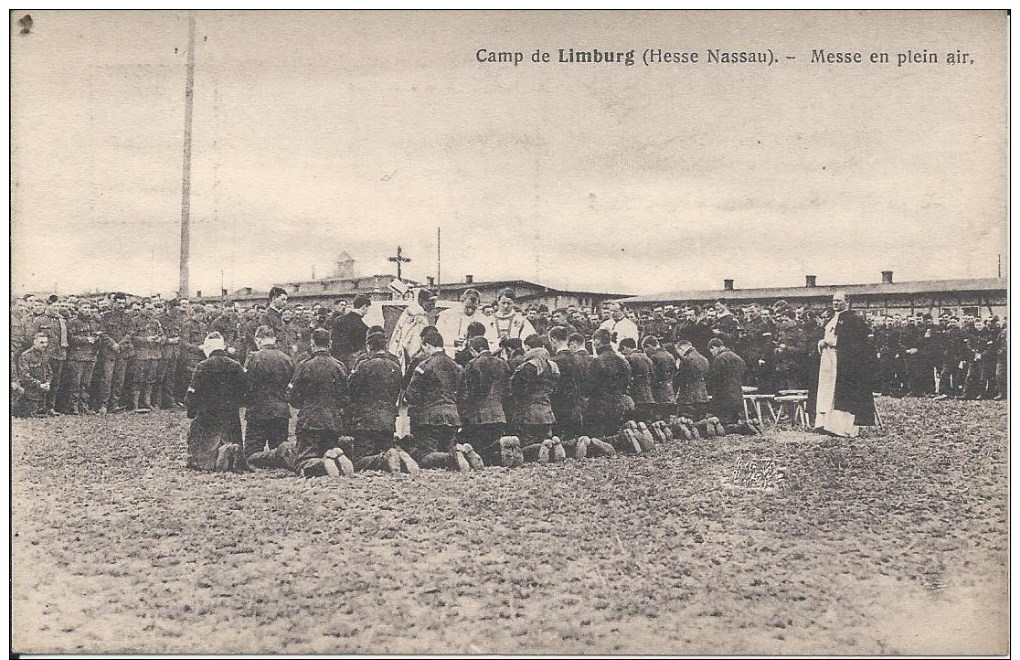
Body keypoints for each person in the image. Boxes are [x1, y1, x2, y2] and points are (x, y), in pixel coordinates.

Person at [403, 328, 478, 471]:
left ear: (427, 345)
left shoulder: (423, 366)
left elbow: (412, 395)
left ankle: (454, 457)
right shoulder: (457, 366)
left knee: (424, 456)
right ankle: (462, 455)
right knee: (446, 451)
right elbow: (464, 395)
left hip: (429, 419)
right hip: (453, 417)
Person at [348, 332, 415, 472]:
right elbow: (398, 390)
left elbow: (351, 390)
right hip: (388, 421)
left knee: (359, 459)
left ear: (369, 346)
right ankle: (401, 456)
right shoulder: (396, 367)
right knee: (385, 447)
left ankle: (382, 459)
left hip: (365, 421)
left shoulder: (363, 366)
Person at [814, 292, 877, 437]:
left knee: (842, 394)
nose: (835, 303)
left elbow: (856, 342)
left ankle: (842, 428)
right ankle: (825, 424)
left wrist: (832, 343)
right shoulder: (832, 318)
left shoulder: (853, 320)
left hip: (844, 361)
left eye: (838, 301)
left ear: (847, 302)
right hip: (829, 359)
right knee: (828, 391)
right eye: (834, 300)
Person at [185, 332, 249, 472]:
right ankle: (232, 454)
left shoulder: (203, 366)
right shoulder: (236, 366)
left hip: (207, 413)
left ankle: (211, 460)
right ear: (224, 347)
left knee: (200, 444)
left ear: (208, 348)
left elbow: (192, 392)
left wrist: (191, 411)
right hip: (230, 414)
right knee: (232, 436)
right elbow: (245, 389)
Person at [242, 326, 295, 459]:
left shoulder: (253, 358)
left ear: (257, 340)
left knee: (250, 455)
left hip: (257, 411)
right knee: (281, 450)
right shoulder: (286, 359)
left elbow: (246, 384)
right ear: (274, 339)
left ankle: (270, 458)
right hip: (280, 411)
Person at [458, 335, 512, 466]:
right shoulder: (503, 364)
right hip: (499, 413)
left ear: (475, 349)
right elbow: (508, 391)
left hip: (479, 415)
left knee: (480, 449)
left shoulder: (472, 364)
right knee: (494, 447)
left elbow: (468, 392)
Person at [508, 334, 561, 460]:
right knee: (545, 438)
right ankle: (551, 447)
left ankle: (541, 449)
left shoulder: (527, 366)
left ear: (527, 347)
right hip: (547, 412)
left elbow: (516, 389)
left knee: (528, 445)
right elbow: (556, 389)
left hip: (528, 412)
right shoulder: (553, 365)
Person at [586, 328, 635, 439]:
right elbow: (627, 381)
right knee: (613, 434)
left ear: (597, 341)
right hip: (618, 402)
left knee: (598, 437)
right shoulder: (622, 360)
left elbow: (589, 385)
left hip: (599, 405)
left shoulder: (596, 361)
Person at [65, 301, 101, 414]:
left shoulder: (94, 323)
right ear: (79, 308)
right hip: (77, 356)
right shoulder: (73, 322)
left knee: (86, 383)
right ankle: (73, 407)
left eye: (88, 308)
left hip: (90, 356)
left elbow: (97, 338)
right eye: (84, 307)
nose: (87, 310)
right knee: (75, 383)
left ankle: (83, 406)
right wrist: (86, 340)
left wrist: (97, 339)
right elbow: (70, 338)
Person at [389, 289, 437, 374]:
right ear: (421, 301)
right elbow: (415, 346)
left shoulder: (408, 312)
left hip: (397, 353)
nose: (433, 306)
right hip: (409, 357)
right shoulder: (419, 317)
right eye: (431, 302)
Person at [707, 337, 747, 426]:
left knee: (724, 423)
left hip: (724, 396)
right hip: (737, 394)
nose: (712, 354)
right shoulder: (737, 357)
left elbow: (715, 379)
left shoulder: (719, 359)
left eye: (711, 351)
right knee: (735, 419)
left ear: (714, 347)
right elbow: (744, 370)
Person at [436, 288, 485, 358]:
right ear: (462, 301)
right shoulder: (447, 315)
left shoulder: (482, 318)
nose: (470, 311)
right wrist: (452, 341)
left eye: (474, 308)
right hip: (449, 354)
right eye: (467, 307)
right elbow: (437, 336)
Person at [15, 332, 53, 417]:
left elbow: (50, 372)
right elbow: (24, 376)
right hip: (30, 393)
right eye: (41, 342)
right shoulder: (26, 356)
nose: (44, 345)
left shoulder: (44, 355)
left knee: (42, 412)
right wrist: (39, 385)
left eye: (46, 342)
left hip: (42, 393)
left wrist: (47, 383)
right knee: (32, 413)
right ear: (34, 342)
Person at [331, 294, 372, 370]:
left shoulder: (339, 320)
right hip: (352, 364)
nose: (367, 312)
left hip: (337, 363)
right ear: (364, 307)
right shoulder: (363, 327)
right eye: (367, 309)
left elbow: (333, 340)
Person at [673, 338, 710, 422]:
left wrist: (678, 368)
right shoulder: (704, 359)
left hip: (688, 398)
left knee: (686, 422)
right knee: (700, 422)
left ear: (681, 349)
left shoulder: (686, 360)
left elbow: (680, 379)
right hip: (703, 396)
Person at [619, 337, 655, 422]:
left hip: (636, 397)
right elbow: (653, 376)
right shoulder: (648, 359)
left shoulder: (629, 358)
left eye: (623, 351)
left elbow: (626, 378)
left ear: (626, 347)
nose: (623, 354)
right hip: (649, 396)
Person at [643, 336, 676, 421]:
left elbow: (652, 376)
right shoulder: (670, 355)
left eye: (645, 349)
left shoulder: (654, 357)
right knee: (666, 420)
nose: (645, 352)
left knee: (657, 421)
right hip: (669, 391)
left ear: (649, 346)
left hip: (657, 393)